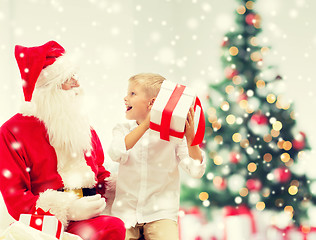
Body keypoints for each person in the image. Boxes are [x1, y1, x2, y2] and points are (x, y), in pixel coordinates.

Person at [0, 41, 126, 240]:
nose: (77, 84)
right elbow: (16, 198)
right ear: (49, 88)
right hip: (44, 226)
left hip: (93, 217)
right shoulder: (12, 132)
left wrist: (127, 187)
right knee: (111, 228)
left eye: (76, 77)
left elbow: (99, 173)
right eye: (69, 79)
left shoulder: (83, 127)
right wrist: (68, 209)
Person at [108, 73, 206, 240]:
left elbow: (196, 170)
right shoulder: (122, 129)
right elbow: (115, 153)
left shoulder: (174, 136)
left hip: (161, 214)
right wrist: (147, 125)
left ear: (152, 103)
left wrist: (191, 140)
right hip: (125, 214)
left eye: (132, 93)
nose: (125, 98)